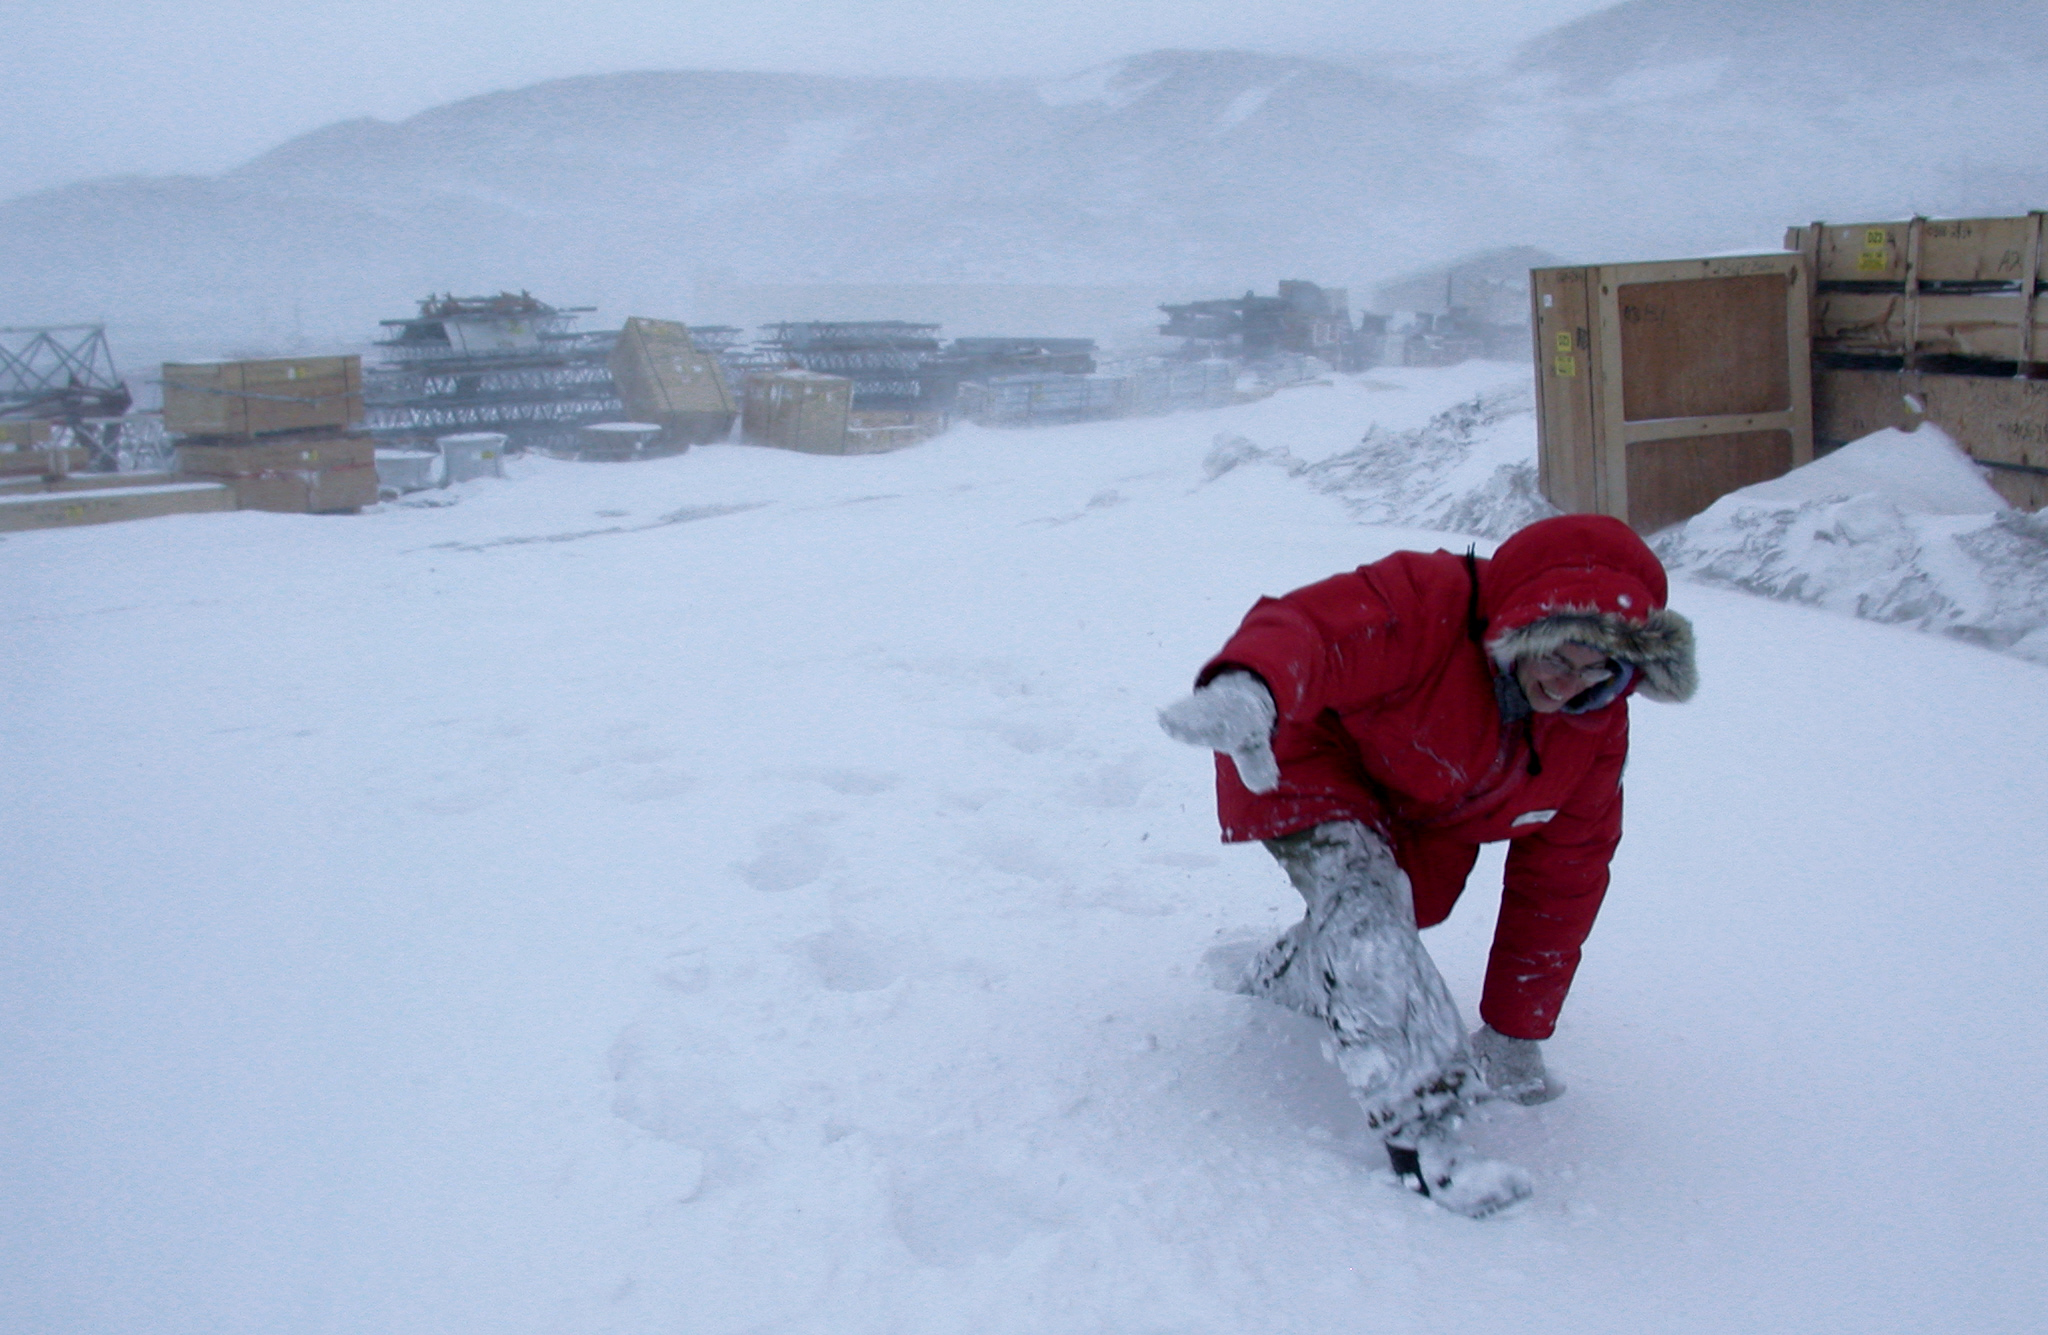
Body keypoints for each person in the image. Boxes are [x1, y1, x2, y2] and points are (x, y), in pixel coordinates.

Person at [1159, 513, 1696, 1217]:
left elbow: (1563, 879)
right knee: (1369, 919)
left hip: (1424, 814)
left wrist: (1516, 1031)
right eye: (1557, 658)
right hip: (1301, 759)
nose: (1571, 685)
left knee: (1394, 921)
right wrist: (1252, 687)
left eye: (1601, 669)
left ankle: (1283, 971)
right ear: (1521, 627)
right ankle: (1426, 1138)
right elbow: (1314, 629)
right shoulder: (1430, 599)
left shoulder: (1592, 729)